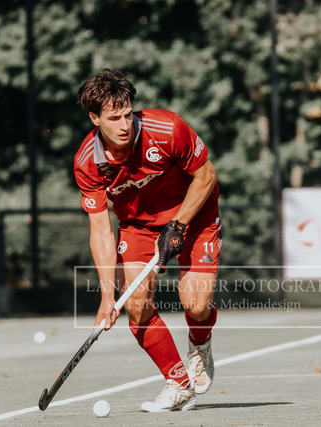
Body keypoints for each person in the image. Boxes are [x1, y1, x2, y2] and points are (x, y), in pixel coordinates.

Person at [74, 69, 221, 412]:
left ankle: (200, 343)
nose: (124, 125)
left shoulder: (167, 129)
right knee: (136, 304)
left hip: (193, 214)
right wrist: (107, 296)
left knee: (195, 304)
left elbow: (206, 175)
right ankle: (178, 384)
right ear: (95, 119)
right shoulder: (87, 162)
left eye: (128, 114)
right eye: (114, 118)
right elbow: (101, 230)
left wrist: (177, 225)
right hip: (138, 225)